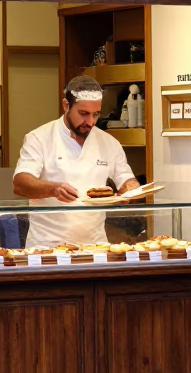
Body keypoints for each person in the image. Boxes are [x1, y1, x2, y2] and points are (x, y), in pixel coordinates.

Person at [13, 75, 141, 246]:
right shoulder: (39, 138)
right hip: (47, 247)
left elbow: (127, 180)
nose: (90, 121)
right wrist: (53, 188)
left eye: (96, 114)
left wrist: (130, 190)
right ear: (66, 105)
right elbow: (20, 183)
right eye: (83, 114)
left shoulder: (108, 142)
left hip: (95, 246)